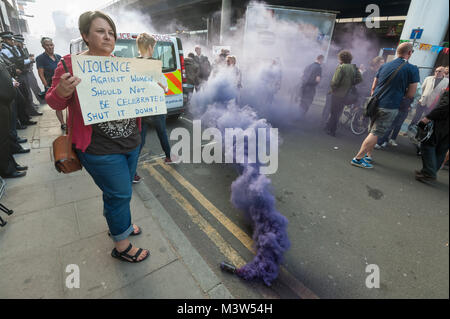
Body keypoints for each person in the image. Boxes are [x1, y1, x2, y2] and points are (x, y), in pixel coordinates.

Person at [46, 11, 149, 263]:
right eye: (101, 31)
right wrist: (61, 91)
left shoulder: (121, 63)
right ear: (85, 36)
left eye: (111, 32)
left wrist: (151, 91)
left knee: (119, 193)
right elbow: (53, 101)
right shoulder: (69, 64)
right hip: (99, 148)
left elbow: (135, 98)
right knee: (119, 194)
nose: (108, 36)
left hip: (131, 142)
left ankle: (120, 225)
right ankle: (122, 246)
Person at [351, 42, 420, 168]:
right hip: (390, 105)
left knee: (373, 131)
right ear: (409, 53)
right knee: (376, 132)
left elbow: (373, 87)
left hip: (375, 102)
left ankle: (367, 155)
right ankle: (358, 159)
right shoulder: (412, 69)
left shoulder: (385, 66)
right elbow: (411, 94)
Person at [133, 33, 177, 184]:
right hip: (156, 107)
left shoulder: (133, 64)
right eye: (154, 47)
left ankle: (132, 172)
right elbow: (164, 87)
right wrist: (163, 88)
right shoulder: (154, 64)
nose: (154, 50)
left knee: (141, 139)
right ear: (150, 47)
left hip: (142, 109)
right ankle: (169, 157)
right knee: (162, 133)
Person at [0, 55, 27, 179]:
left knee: (6, 136)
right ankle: (6, 170)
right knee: (2, 139)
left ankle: (11, 164)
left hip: (5, 102)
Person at [415, 87, 449, 183]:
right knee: (441, 149)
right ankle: (429, 172)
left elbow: (443, 107)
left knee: (427, 144)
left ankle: (429, 173)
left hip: (442, 124)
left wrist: (428, 117)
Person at [325, 50, 362, 136]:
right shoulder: (354, 67)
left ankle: (331, 130)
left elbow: (335, 81)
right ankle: (329, 127)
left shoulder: (341, 67)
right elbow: (359, 79)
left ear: (341, 58)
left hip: (337, 94)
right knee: (338, 112)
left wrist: (332, 90)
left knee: (334, 112)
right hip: (346, 94)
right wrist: (351, 83)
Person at [375, 82, 422, 149]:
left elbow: (417, 96)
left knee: (397, 125)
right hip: (396, 106)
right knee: (390, 125)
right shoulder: (403, 80)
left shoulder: (416, 85)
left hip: (404, 108)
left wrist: (411, 106)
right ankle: (381, 142)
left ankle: (386, 140)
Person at [36, 37, 65, 130]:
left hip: (62, 84)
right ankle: (63, 123)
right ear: (43, 46)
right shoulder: (40, 58)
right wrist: (47, 87)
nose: (50, 47)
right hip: (51, 85)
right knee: (58, 106)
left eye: (51, 45)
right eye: (47, 45)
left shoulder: (59, 57)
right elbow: (41, 74)